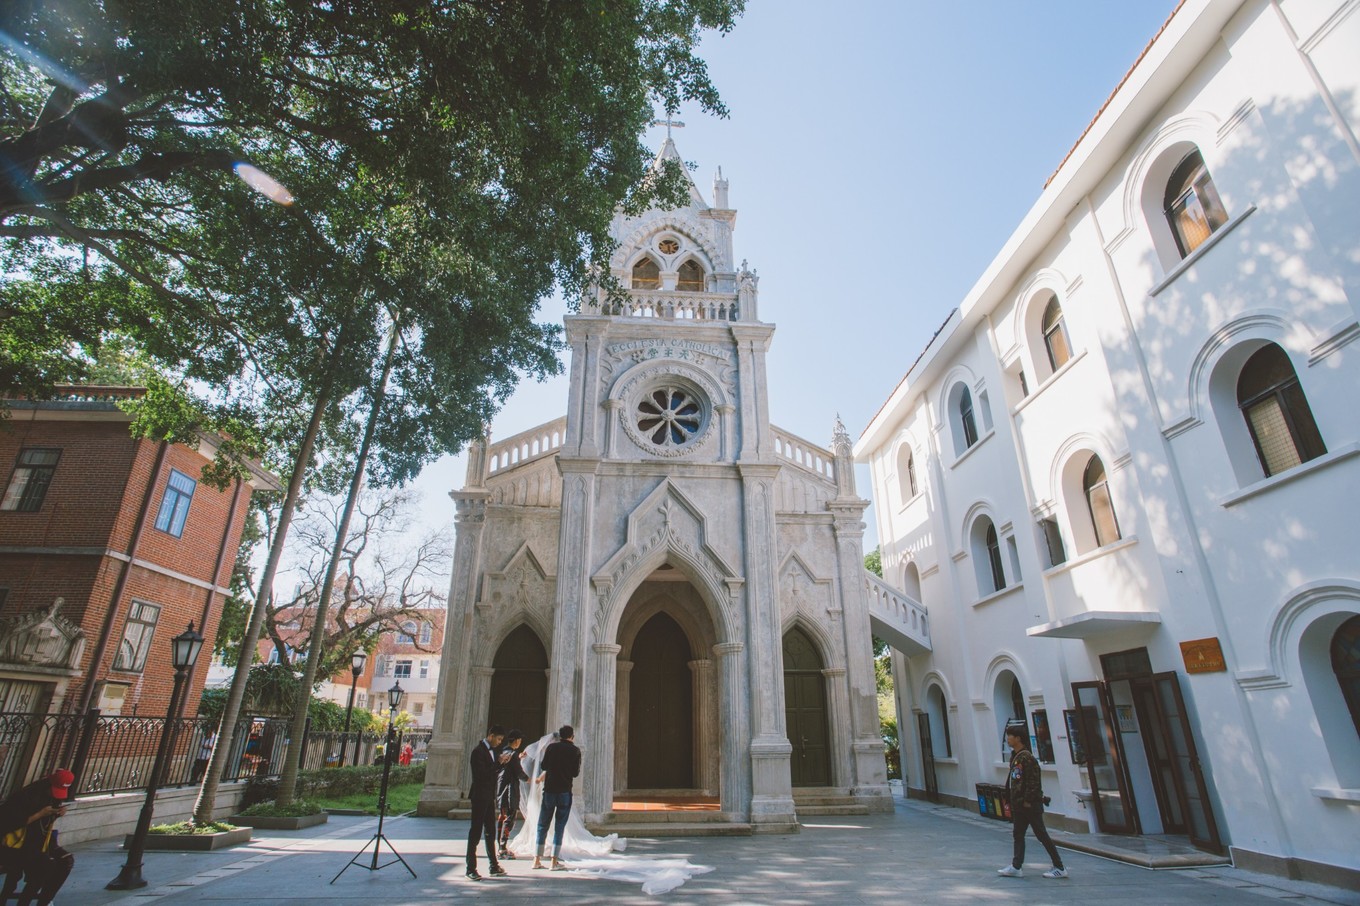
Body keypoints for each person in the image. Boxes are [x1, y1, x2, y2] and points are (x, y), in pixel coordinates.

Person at [998, 724, 1068, 880]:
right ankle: (1016, 866)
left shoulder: (1027, 758)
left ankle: (1059, 866)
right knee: (1018, 834)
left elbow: (1033, 781)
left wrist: (1028, 801)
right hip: (1019, 804)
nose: (1007, 739)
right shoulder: (1015, 757)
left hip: (1028, 804)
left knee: (1041, 834)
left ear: (1018, 738)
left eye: (1010, 736)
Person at [0, 768, 75, 906]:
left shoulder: (52, 798)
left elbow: (44, 826)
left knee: (66, 861)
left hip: (39, 844)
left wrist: (56, 814)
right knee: (45, 866)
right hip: (15, 845)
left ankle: (44, 902)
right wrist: (39, 814)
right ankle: (24, 902)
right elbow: (8, 824)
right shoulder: (24, 797)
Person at [532, 724, 581, 871]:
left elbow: (544, 765)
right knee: (560, 826)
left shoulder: (551, 748)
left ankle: (536, 859)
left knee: (542, 825)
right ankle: (554, 861)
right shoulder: (575, 751)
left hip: (550, 790)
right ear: (572, 736)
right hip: (564, 791)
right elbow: (575, 773)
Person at [466, 724, 510, 881]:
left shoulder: (493, 751)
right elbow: (481, 775)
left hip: (489, 796)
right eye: (498, 739)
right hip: (479, 796)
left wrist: (500, 763)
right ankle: (470, 868)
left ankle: (493, 865)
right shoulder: (478, 752)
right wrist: (498, 763)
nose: (499, 742)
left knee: (490, 831)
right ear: (490, 736)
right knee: (476, 832)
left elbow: (492, 772)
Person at [495, 730, 529, 860]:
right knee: (509, 818)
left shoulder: (504, 752)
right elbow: (518, 772)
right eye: (519, 740)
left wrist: (518, 757)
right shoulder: (513, 755)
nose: (520, 742)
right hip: (510, 791)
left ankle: (500, 846)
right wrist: (529, 779)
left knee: (502, 817)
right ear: (516, 741)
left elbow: (507, 765)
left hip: (501, 789)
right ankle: (502, 849)